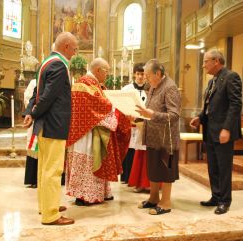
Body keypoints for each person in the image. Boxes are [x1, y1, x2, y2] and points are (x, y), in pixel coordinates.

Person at [23, 32, 78, 225]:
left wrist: (30, 111)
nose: (76, 52)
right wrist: (35, 113)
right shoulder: (60, 65)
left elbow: (37, 93)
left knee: (44, 168)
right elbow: (47, 97)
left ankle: (46, 205)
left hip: (45, 124)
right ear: (66, 47)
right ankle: (51, 215)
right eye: (74, 48)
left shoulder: (46, 62)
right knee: (53, 170)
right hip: (54, 124)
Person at [65, 58, 131, 206]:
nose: (107, 75)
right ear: (97, 70)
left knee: (98, 158)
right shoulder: (85, 84)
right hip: (84, 134)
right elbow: (101, 106)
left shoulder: (93, 84)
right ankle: (84, 196)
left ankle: (101, 192)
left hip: (92, 130)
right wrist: (121, 111)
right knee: (87, 162)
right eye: (106, 71)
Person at [190, 49, 242, 215]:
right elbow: (209, 107)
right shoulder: (212, 81)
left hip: (223, 132)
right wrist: (200, 117)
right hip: (210, 131)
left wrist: (226, 128)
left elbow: (235, 104)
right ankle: (215, 196)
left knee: (224, 168)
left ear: (217, 61)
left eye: (206, 61)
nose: (203, 65)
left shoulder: (231, 77)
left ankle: (225, 201)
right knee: (213, 167)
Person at [135, 59, 181, 215]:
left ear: (158, 73)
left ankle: (166, 202)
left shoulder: (170, 88)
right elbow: (149, 109)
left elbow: (174, 115)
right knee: (153, 169)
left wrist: (152, 114)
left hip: (166, 139)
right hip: (153, 136)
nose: (146, 78)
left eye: (148, 75)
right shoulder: (154, 86)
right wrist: (137, 116)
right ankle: (153, 198)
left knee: (166, 171)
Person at [121, 63, 150, 192]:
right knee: (130, 151)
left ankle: (139, 180)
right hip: (129, 124)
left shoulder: (150, 89)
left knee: (139, 153)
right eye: (138, 74)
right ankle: (128, 177)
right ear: (134, 74)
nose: (140, 77)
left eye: (143, 74)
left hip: (143, 126)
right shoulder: (126, 89)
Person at [23, 78, 37, 188]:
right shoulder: (34, 82)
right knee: (34, 149)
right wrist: (33, 110)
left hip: (47, 122)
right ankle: (33, 179)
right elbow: (27, 98)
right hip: (34, 119)